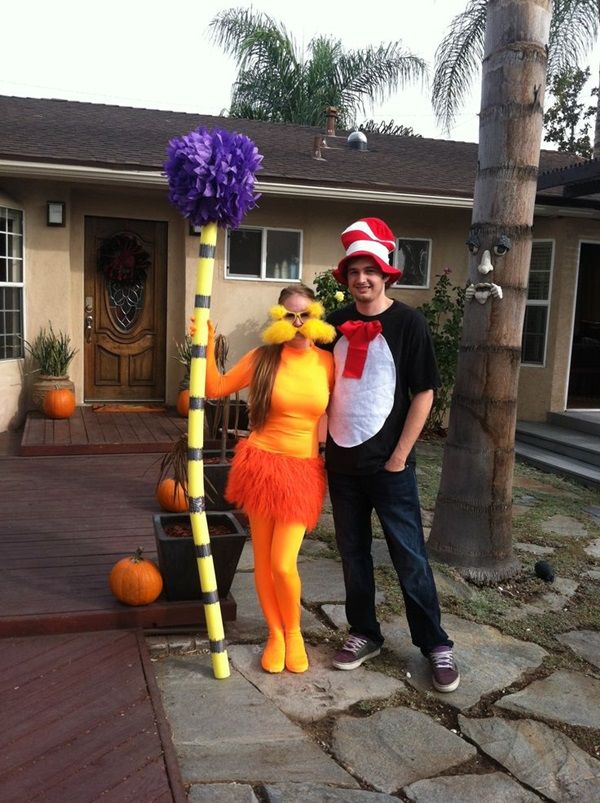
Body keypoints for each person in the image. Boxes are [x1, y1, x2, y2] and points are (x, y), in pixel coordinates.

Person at [323, 217, 460, 693]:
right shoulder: (334, 323)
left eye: (370, 270)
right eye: (354, 271)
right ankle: (364, 633)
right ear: (346, 278)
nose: (362, 279)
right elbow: (313, 378)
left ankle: (434, 643)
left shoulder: (408, 323)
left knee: (409, 557)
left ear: (386, 274)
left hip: (389, 465)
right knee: (353, 554)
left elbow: (424, 393)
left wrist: (400, 455)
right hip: (341, 465)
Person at [205, 285, 335, 674]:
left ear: (316, 316)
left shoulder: (329, 361)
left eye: (305, 314)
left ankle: (294, 633)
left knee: (283, 563)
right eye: (288, 315)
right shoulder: (262, 358)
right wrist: (206, 345)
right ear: (277, 318)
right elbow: (215, 388)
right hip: (261, 465)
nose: (297, 323)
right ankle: (275, 634)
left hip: (302, 470)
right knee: (262, 560)